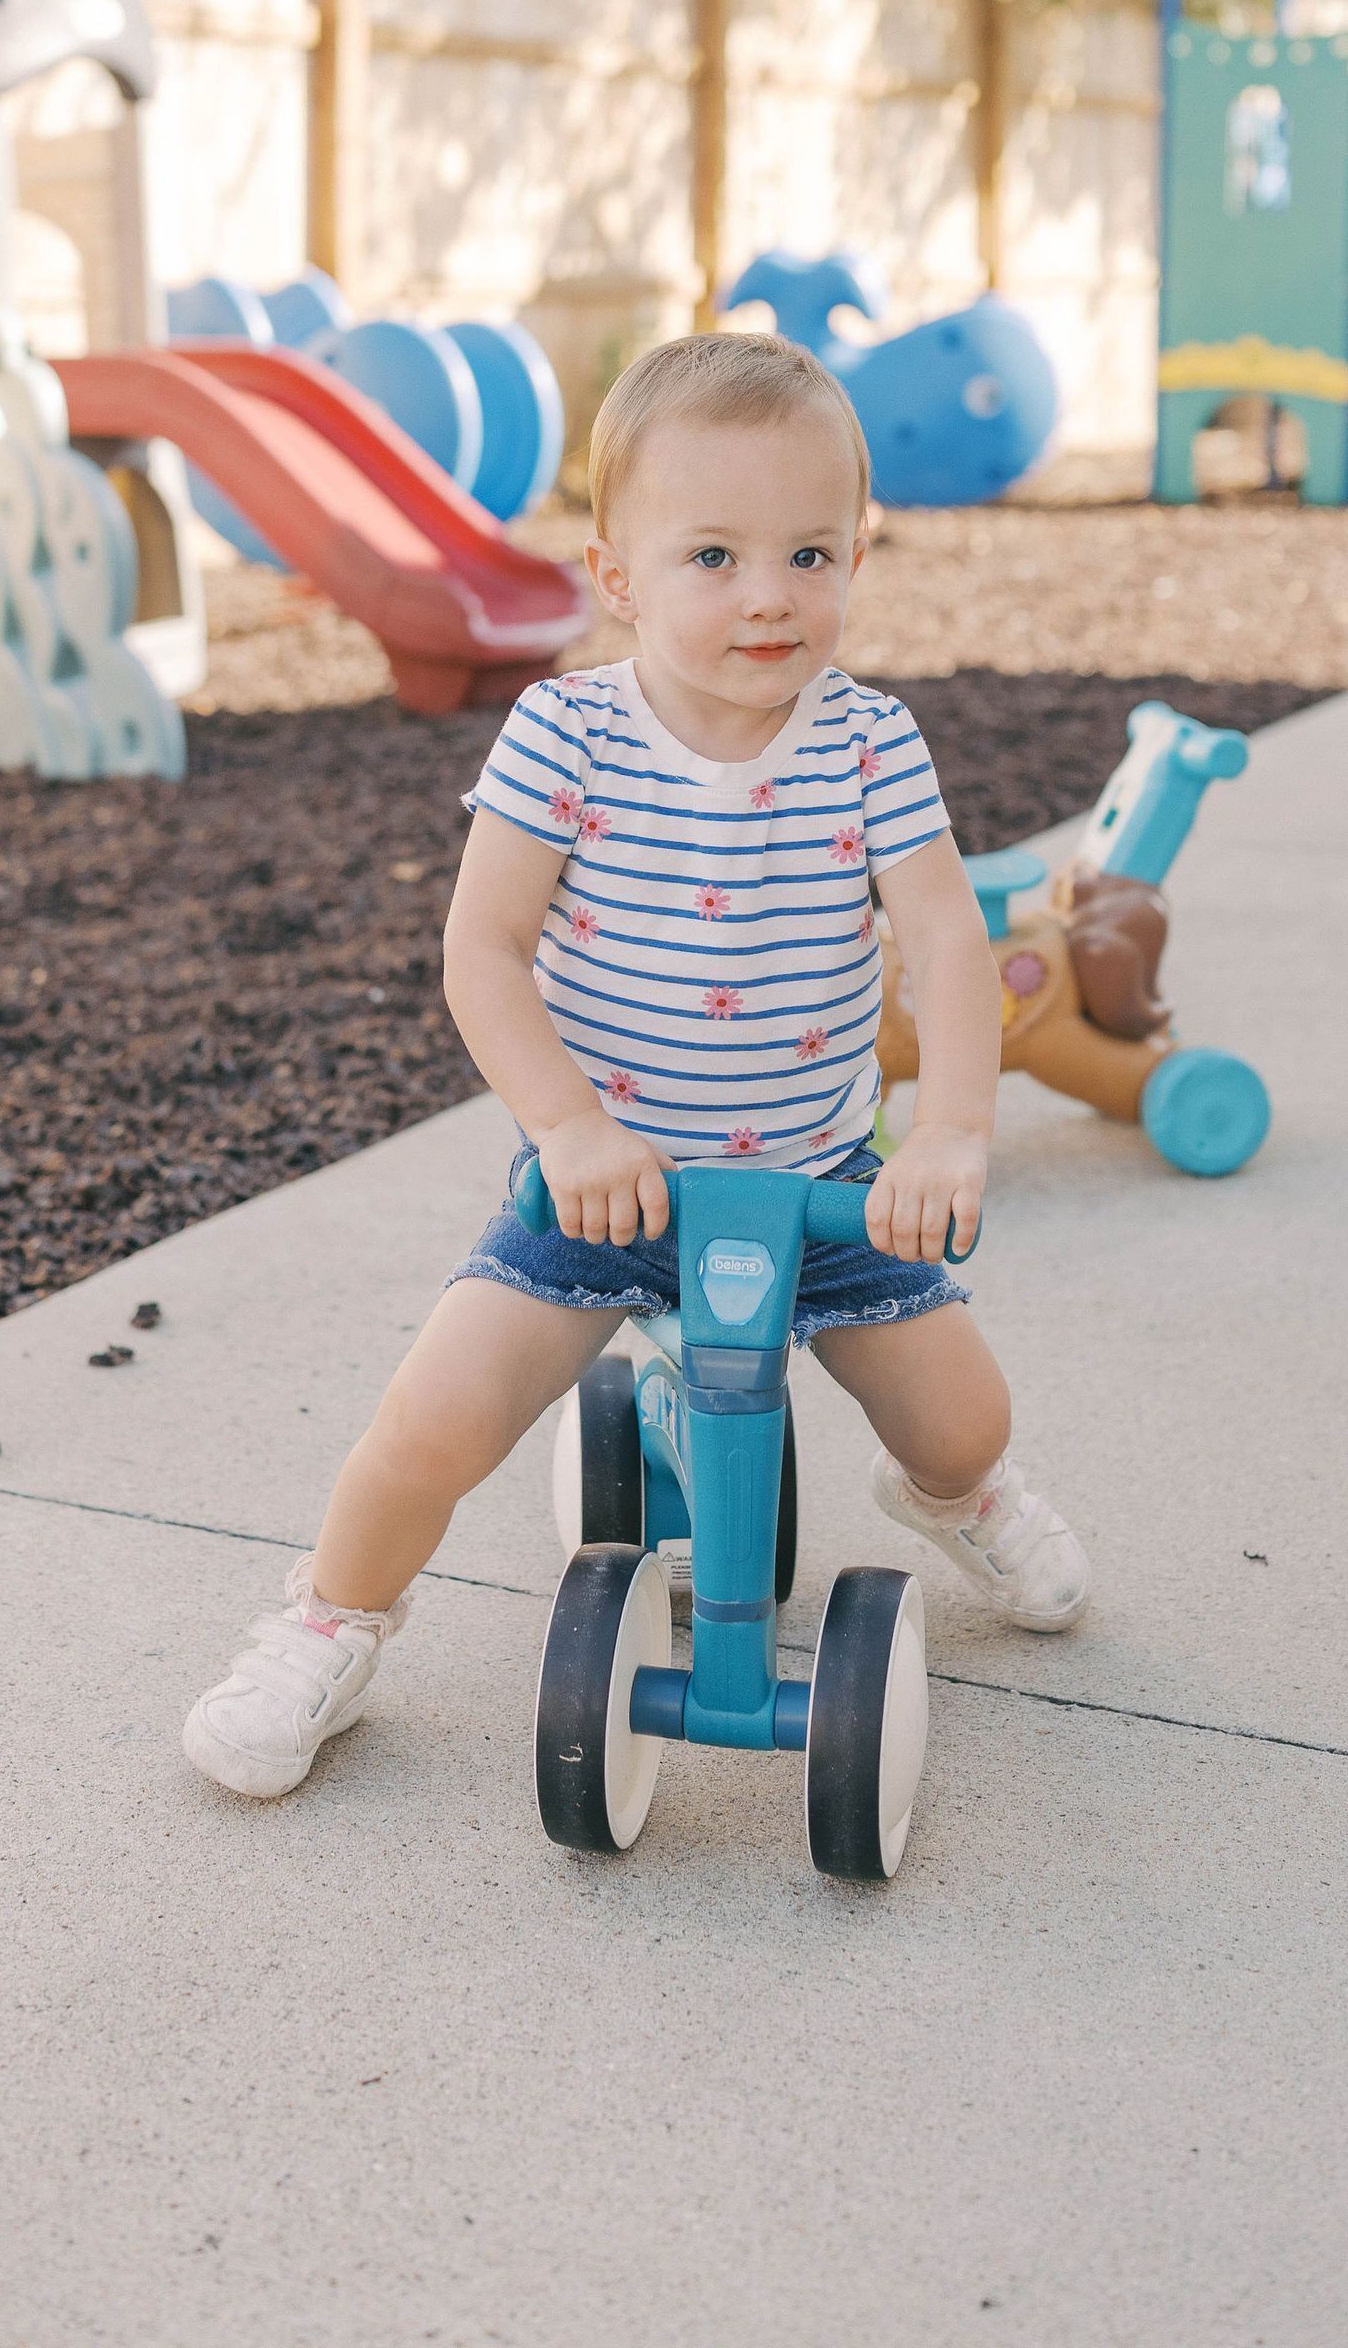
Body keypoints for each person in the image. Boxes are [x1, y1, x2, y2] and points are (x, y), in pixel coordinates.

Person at [184, 331, 1089, 1799]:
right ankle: (327, 1621)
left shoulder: (869, 744)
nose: (770, 596)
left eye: (809, 552)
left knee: (963, 1408)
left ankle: (958, 1496)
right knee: (435, 1421)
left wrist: (951, 1137)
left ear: (859, 554)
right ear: (619, 579)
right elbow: (483, 953)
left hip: (821, 1192)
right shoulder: (570, 735)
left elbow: (943, 948)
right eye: (715, 555)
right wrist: (569, 1128)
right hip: (607, 1184)